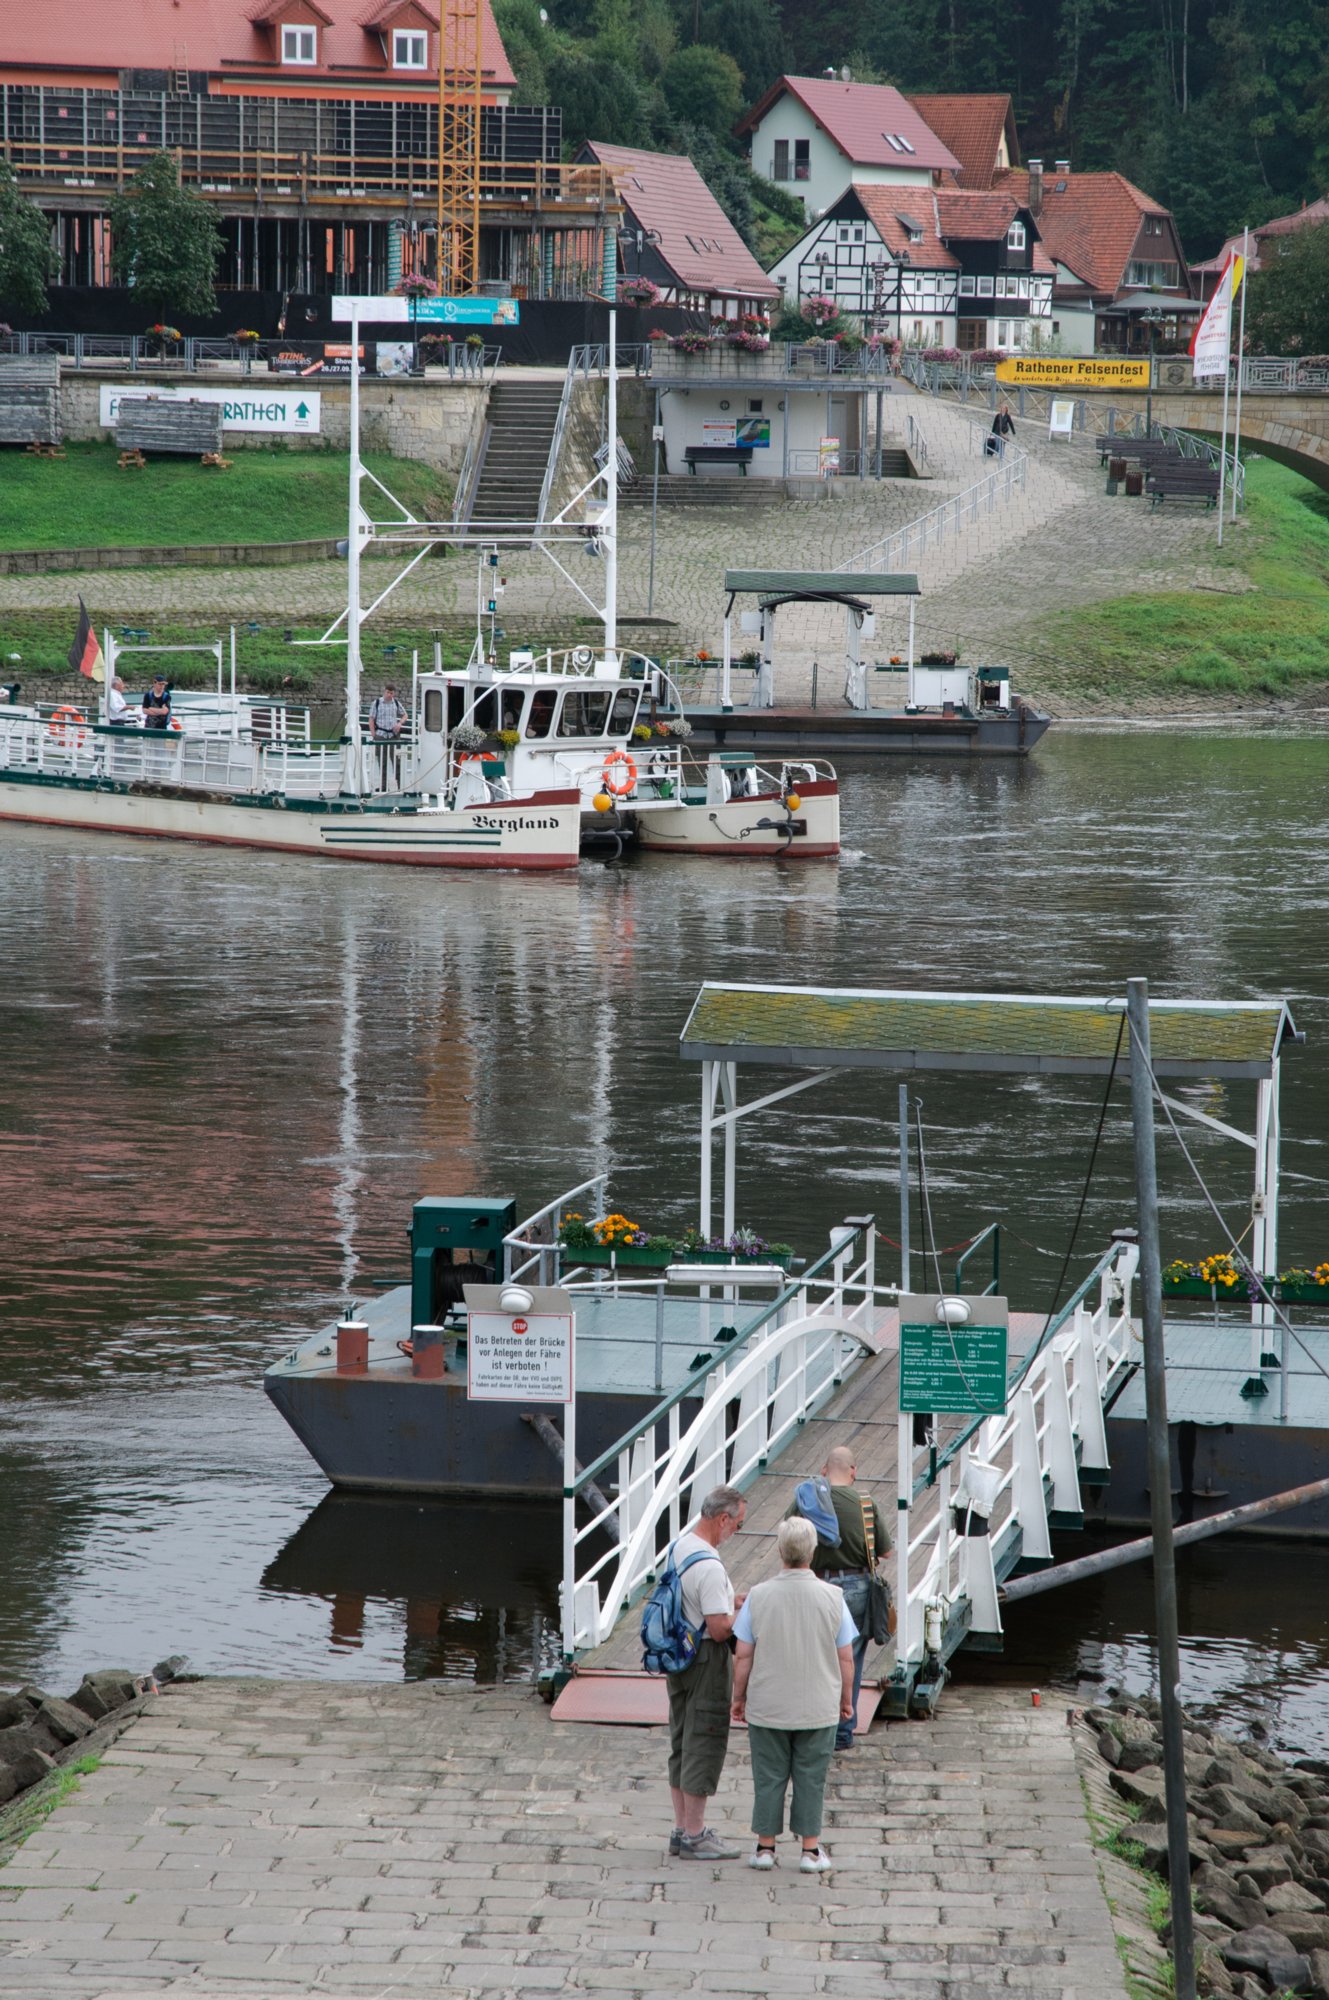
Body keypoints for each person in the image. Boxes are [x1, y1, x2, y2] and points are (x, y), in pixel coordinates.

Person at [730, 1516, 855, 1873]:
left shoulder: (758, 1596)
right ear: (812, 1552)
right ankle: (810, 1850)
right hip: (818, 1704)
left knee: (769, 1774)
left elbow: (744, 1654)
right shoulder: (834, 1597)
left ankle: (765, 1847)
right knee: (810, 1775)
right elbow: (845, 1656)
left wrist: (738, 1697)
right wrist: (846, 1699)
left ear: (780, 1551)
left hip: (769, 1703)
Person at [784, 1445, 890, 1749]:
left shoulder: (806, 1498)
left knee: (811, 1655)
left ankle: (810, 1728)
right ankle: (843, 1731)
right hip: (856, 1586)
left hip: (814, 1583)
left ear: (824, 1471)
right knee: (850, 1658)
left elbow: (787, 1535)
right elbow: (885, 1550)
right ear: (853, 1471)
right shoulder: (866, 1504)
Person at [666, 1484, 747, 1862]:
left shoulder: (681, 1546)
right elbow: (718, 1629)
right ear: (722, 1519)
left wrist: (729, 1600)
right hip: (705, 1660)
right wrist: (741, 1614)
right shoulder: (711, 1565)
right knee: (705, 1740)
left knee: (681, 1740)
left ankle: (682, 1829)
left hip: (678, 1657)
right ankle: (697, 1836)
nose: (736, 1533)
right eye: (738, 1526)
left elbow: (690, 1600)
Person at [369, 683, 406, 788]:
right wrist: (373, 734)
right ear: (384, 691)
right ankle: (383, 785)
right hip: (380, 735)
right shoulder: (376, 703)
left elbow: (405, 715)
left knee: (396, 760)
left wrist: (400, 723)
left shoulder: (396, 704)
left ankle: (400, 785)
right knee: (382, 761)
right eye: (388, 692)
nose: (389, 695)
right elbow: (371, 718)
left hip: (393, 735)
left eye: (391, 693)